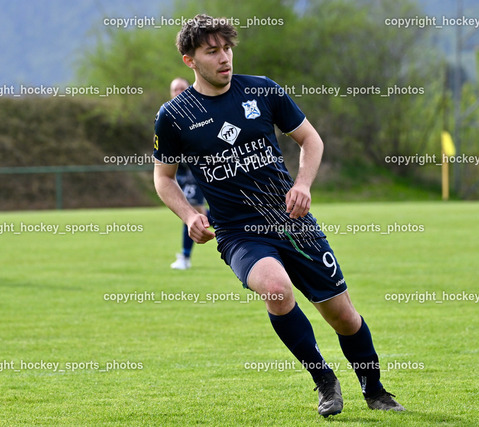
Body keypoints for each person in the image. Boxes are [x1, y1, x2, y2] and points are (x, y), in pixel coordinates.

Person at [153, 14, 404, 417]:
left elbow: (310, 140)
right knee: (276, 288)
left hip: (293, 223)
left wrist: (302, 184)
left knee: (343, 317)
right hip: (239, 233)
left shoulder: (262, 90)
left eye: (227, 48)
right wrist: (188, 215)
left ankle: (375, 390)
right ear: (190, 60)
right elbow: (163, 178)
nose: (224, 58)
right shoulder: (175, 116)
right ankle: (325, 381)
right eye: (212, 51)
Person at [168, 77, 207, 270]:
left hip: (197, 171)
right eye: (175, 89)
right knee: (197, 213)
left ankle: (184, 257)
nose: (178, 92)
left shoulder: (199, 112)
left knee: (192, 212)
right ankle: (239, 220)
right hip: (179, 173)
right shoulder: (168, 116)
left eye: (182, 88)